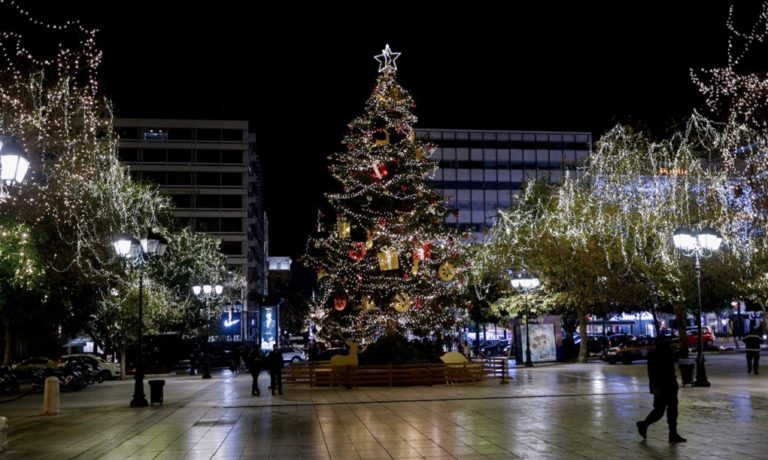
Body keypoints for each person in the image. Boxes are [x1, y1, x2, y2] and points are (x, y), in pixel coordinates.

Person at [636, 338, 686, 443]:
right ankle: (644, 424)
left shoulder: (664, 353)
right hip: (663, 386)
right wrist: (654, 387)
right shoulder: (657, 354)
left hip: (669, 385)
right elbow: (653, 373)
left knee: (670, 410)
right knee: (660, 411)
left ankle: (672, 434)